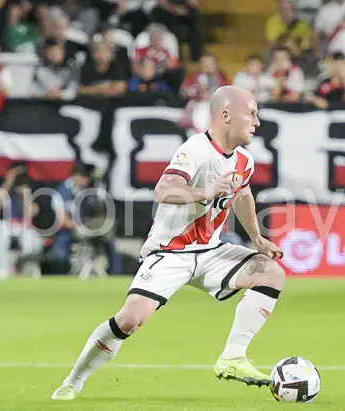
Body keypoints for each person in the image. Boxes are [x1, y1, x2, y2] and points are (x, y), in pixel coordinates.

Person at [51, 85, 286, 401]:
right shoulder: (195, 150)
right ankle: (74, 380)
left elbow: (242, 194)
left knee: (271, 272)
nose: (257, 122)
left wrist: (257, 237)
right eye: (251, 113)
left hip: (210, 252)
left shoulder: (244, 159)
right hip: (170, 253)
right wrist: (206, 192)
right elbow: (164, 190)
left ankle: (233, 357)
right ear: (226, 116)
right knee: (130, 320)